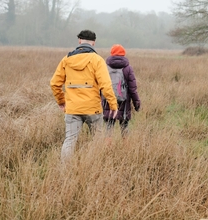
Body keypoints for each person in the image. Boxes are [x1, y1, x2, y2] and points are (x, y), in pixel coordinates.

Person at [50, 30, 118, 162]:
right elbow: (106, 85)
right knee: (97, 141)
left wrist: (61, 102)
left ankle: (65, 171)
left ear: (79, 41)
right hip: (93, 109)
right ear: (93, 42)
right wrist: (113, 105)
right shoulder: (97, 60)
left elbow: (54, 84)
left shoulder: (66, 60)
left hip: (72, 109)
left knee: (69, 140)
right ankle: (94, 167)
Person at [102, 44, 141, 137]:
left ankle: (107, 149)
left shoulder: (105, 67)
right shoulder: (128, 68)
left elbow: (100, 86)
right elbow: (133, 88)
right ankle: (126, 149)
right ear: (124, 54)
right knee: (124, 127)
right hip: (124, 102)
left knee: (109, 127)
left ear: (111, 53)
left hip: (108, 101)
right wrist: (137, 103)